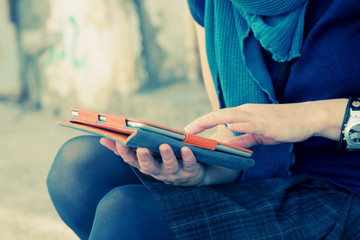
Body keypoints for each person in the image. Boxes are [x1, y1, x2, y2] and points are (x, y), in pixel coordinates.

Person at [47, 0, 360, 239]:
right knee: (79, 169)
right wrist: (209, 169)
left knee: (127, 214)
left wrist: (312, 116)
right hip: (261, 172)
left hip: (346, 187)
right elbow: (233, 129)